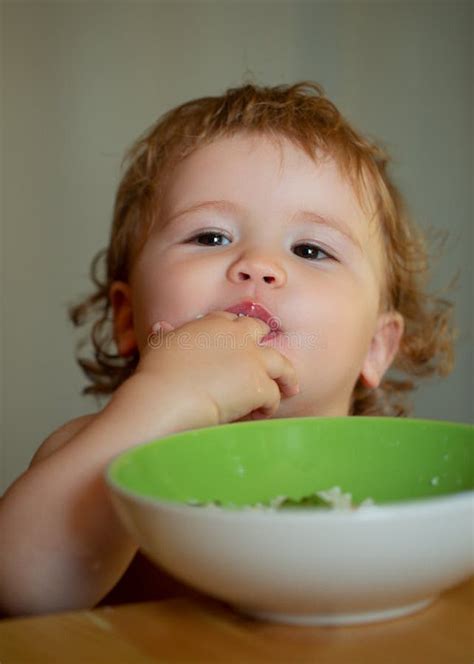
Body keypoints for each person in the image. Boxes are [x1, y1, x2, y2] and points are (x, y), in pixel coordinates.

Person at [0, 82, 456, 617]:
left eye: (311, 249)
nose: (258, 265)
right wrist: (163, 397)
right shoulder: (96, 451)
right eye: (211, 237)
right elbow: (19, 590)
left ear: (377, 348)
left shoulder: (398, 479)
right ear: (128, 318)